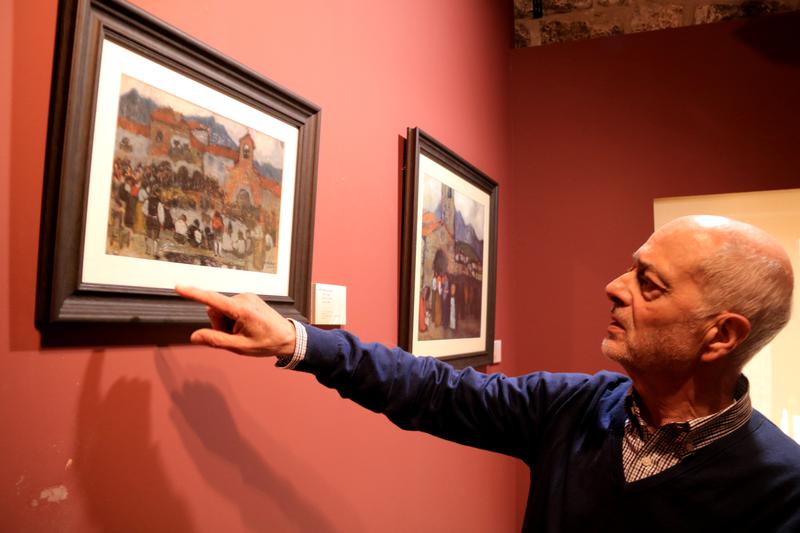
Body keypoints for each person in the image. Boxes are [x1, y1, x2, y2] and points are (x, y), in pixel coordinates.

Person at [175, 215, 800, 532]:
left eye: (648, 283)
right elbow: (435, 390)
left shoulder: (783, 488)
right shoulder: (576, 408)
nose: (613, 288)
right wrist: (296, 340)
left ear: (721, 335)